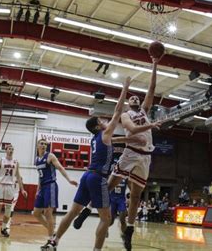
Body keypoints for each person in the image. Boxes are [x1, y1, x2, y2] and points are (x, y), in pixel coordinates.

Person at [45, 77, 138, 251]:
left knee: (73, 211)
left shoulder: (96, 138)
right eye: (101, 122)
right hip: (98, 178)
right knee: (106, 217)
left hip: (87, 175)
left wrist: (129, 139)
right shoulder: (104, 133)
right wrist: (125, 88)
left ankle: (54, 242)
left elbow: (114, 140)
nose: (104, 122)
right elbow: (118, 112)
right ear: (97, 127)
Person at [106, 57, 162, 251]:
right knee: (109, 186)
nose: (136, 99)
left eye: (137, 97)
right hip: (130, 152)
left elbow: (152, 89)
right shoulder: (125, 115)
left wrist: (154, 63)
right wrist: (151, 125)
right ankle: (88, 209)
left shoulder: (145, 111)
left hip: (146, 157)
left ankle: (129, 229)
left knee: (136, 197)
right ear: (129, 103)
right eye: (132, 98)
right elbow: (130, 128)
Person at [33, 138, 78, 247]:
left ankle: (50, 240)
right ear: (37, 146)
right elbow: (40, 176)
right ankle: (52, 232)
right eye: (41, 143)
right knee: (36, 213)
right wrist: (38, 189)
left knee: (48, 212)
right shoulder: (36, 160)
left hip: (51, 186)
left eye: (45, 144)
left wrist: (69, 179)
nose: (43, 145)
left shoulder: (50, 156)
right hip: (42, 187)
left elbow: (60, 168)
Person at [0, 144, 27, 237]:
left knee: (8, 210)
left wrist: (22, 190)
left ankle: (4, 228)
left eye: (12, 149)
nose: (11, 150)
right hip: (1, 186)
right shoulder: (1, 160)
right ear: (6, 150)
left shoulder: (16, 162)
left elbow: (18, 177)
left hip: (10, 187)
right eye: (9, 149)